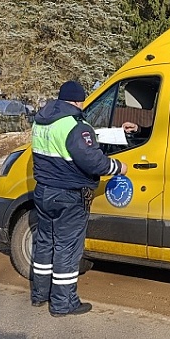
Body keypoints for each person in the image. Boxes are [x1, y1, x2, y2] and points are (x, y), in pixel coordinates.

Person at [30, 80, 130, 317]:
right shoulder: (75, 125)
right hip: (69, 195)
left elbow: (77, 140)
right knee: (67, 248)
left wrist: (117, 132)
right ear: (78, 101)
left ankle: (40, 294)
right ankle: (63, 304)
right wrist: (118, 167)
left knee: (44, 243)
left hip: (44, 191)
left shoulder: (42, 120)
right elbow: (92, 160)